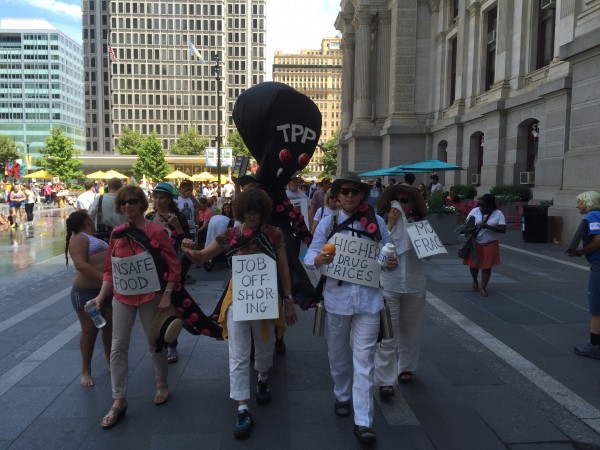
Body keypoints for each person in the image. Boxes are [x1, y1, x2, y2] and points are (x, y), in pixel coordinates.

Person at [181, 188, 297, 439]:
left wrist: (288, 299)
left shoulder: (274, 234)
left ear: (263, 211)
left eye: (256, 211)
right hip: (237, 300)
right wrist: (189, 250)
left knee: (264, 346)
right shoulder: (228, 235)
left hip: (266, 299)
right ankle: (243, 405)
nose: (252, 215)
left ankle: (263, 376)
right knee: (238, 352)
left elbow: (285, 269)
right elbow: (202, 256)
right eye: (248, 211)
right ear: (240, 211)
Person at [304, 172, 396, 445]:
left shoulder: (377, 222)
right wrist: (319, 258)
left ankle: (364, 421)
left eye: (355, 192)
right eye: (345, 191)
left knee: (365, 359)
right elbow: (310, 256)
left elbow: (387, 253)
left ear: (362, 195)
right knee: (338, 355)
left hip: (369, 301)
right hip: (336, 300)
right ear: (337, 195)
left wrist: (390, 261)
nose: (350, 196)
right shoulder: (328, 221)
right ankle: (342, 395)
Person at [87, 185, 181, 429]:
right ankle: (119, 400)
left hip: (151, 296)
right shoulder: (116, 234)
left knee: (155, 343)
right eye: (123, 203)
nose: (127, 205)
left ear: (141, 204)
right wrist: (100, 297)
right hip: (123, 298)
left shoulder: (156, 232)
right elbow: (110, 270)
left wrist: (167, 294)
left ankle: (161, 382)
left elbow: (174, 266)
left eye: (132, 201)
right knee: (117, 348)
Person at [375, 184, 428, 396]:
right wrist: (390, 225)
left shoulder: (420, 225)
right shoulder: (380, 225)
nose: (398, 205)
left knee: (411, 330)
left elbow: (430, 254)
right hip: (389, 284)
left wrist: (419, 238)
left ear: (412, 205)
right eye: (394, 201)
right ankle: (385, 379)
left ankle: (406, 367)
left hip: (415, 284)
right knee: (388, 334)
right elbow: (373, 253)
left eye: (404, 200)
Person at [65, 210, 113, 387]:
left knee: (108, 326)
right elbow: (80, 264)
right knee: (89, 331)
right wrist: (104, 278)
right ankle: (86, 370)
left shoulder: (91, 237)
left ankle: (108, 355)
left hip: (105, 291)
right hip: (86, 293)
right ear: (87, 220)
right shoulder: (79, 238)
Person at [146, 181, 191, 363]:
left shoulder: (177, 217)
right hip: (152, 272)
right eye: (156, 197)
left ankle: (172, 344)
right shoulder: (148, 219)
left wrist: (178, 229)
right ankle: (158, 343)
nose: (158, 200)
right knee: (154, 309)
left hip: (172, 270)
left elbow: (188, 243)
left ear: (169, 199)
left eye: (162, 197)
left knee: (172, 309)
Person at [566, 191, 600, 359]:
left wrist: (580, 252)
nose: (577, 205)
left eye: (579, 202)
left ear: (588, 202)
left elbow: (598, 239)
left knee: (596, 308)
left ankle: (594, 346)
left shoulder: (593, 215)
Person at [462, 193, 506, 297]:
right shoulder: (474, 211)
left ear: (491, 206)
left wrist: (488, 226)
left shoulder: (498, 213)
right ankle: (475, 280)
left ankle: (484, 287)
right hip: (475, 241)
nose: (482, 208)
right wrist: (471, 229)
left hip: (490, 242)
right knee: (473, 264)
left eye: (484, 206)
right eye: (480, 205)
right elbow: (466, 227)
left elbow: (503, 229)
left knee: (487, 266)